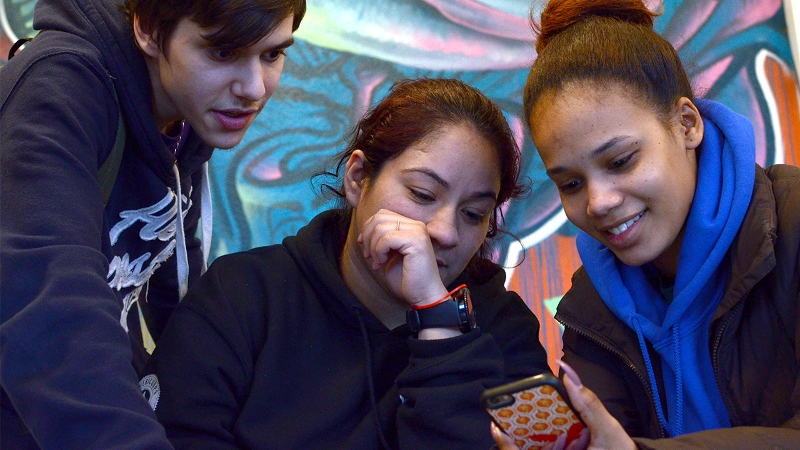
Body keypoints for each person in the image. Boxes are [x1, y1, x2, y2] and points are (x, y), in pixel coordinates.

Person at [137, 77, 551, 449]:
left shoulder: (505, 329)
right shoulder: (240, 295)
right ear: (357, 178)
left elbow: (541, 442)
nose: (445, 231)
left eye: (474, 214)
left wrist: (437, 317)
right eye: (423, 195)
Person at [493, 0, 800, 449]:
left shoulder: (789, 225)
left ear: (686, 124)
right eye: (572, 183)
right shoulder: (593, 309)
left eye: (620, 161)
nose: (598, 202)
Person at [0, 0, 305, 448]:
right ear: (147, 29)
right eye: (223, 53)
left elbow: (172, 263)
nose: (254, 88)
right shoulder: (59, 90)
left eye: (272, 54)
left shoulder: (186, 116)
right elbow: (47, 297)